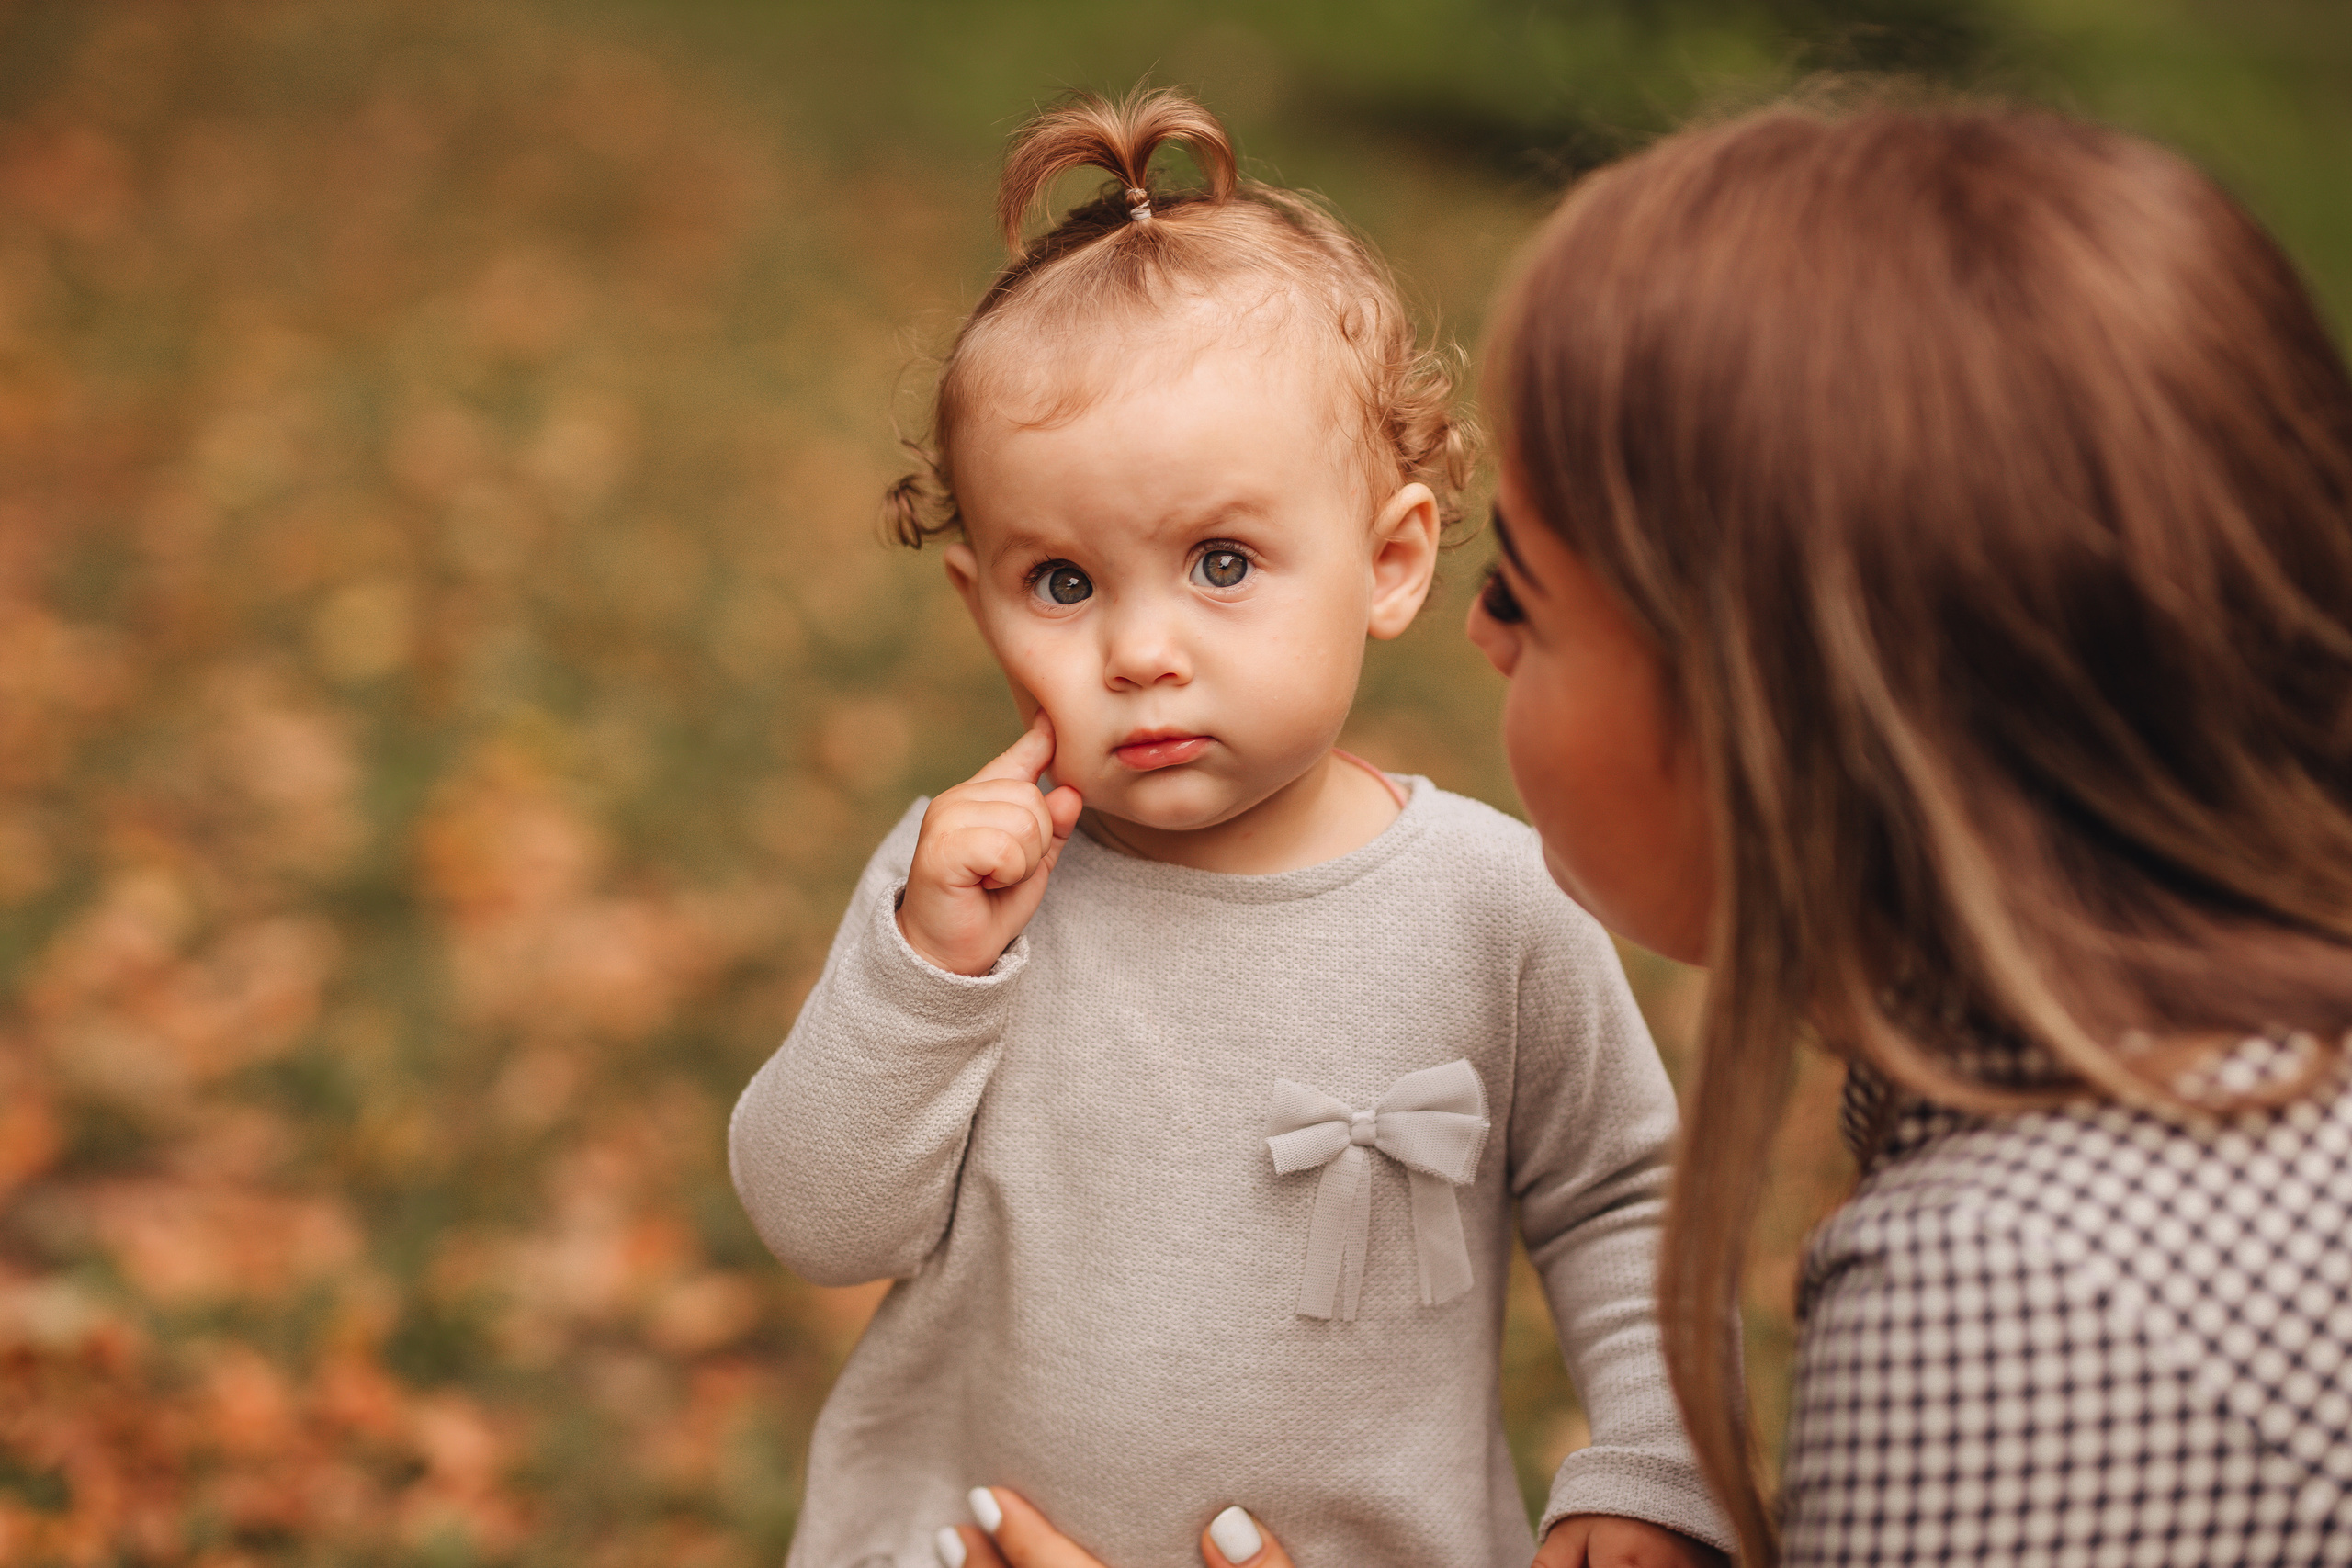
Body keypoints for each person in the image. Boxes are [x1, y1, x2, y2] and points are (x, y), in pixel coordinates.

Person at [944, 96, 2352, 1568]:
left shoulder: (2011, 1298)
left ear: (1770, 700)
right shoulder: (2142, 1106)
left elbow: (1623, 1194)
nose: (1483, 633)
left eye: (1526, 590)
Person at [728, 88, 1733, 1568]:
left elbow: (1627, 1197)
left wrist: (1653, 1464)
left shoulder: (1493, 907)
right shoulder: (967, 896)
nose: (1141, 652)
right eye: (1062, 583)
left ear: (1390, 562)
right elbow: (817, 1224)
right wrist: (926, 973)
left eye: (1220, 563)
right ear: (980, 604)